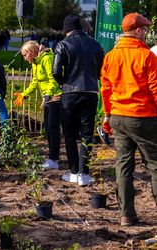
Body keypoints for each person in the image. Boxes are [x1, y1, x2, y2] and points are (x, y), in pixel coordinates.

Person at [101, 13, 157, 226]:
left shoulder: (110, 56)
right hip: (144, 117)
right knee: (155, 165)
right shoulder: (147, 57)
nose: (146, 34)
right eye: (145, 30)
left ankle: (126, 215)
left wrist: (107, 116)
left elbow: (105, 90)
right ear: (138, 31)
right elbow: (155, 89)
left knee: (123, 166)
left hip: (118, 116)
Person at [53, 15, 104, 186]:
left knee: (69, 134)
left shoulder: (63, 44)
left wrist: (63, 83)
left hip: (70, 92)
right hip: (90, 91)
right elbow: (100, 68)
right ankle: (84, 173)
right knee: (87, 134)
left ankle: (74, 171)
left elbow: (55, 71)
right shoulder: (95, 44)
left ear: (66, 29)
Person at [14, 41, 62, 169]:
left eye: (25, 55)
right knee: (48, 128)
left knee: (53, 129)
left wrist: (48, 94)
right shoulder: (35, 62)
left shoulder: (47, 59)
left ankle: (54, 160)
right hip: (47, 98)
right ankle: (53, 158)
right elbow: (35, 82)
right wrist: (24, 94)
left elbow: (54, 79)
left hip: (55, 97)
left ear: (32, 52)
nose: (25, 58)